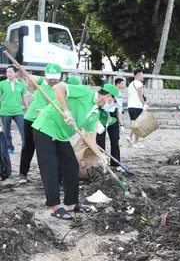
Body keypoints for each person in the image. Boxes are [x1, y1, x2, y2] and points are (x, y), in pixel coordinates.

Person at [32, 81, 118, 220]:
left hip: (62, 135)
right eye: (112, 100)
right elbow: (58, 88)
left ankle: (71, 203)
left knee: (71, 165)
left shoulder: (95, 113)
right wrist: (67, 111)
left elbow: (90, 137)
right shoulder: (85, 92)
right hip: (46, 128)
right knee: (50, 167)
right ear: (108, 96)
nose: (111, 104)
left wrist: (100, 155)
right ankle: (55, 207)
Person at [19, 64, 62, 184]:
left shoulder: (60, 86)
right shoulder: (41, 90)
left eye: (55, 78)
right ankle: (23, 174)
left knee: (46, 149)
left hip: (49, 119)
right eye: (50, 78)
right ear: (45, 75)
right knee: (29, 146)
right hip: (33, 119)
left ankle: (47, 173)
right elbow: (40, 115)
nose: (52, 80)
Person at [0, 65, 28, 154]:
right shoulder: (2, 84)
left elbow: (24, 98)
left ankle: (25, 147)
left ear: (16, 73)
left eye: (11, 72)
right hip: (5, 111)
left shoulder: (21, 85)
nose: (8, 74)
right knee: (6, 132)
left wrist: (28, 109)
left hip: (18, 111)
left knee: (23, 130)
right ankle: (10, 148)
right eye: (7, 72)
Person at [96, 84, 123, 170]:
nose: (113, 103)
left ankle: (116, 164)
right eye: (112, 100)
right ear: (108, 96)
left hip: (113, 122)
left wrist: (121, 125)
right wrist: (98, 125)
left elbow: (118, 112)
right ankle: (102, 164)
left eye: (114, 101)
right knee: (100, 144)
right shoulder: (98, 102)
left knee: (115, 143)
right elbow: (95, 117)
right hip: (101, 123)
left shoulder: (114, 102)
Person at [126, 69, 148, 148]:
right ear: (139, 74)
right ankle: (136, 142)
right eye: (142, 74)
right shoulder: (139, 83)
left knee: (135, 123)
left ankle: (129, 136)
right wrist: (144, 104)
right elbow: (140, 95)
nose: (143, 76)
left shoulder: (131, 84)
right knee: (138, 125)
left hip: (130, 107)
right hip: (137, 107)